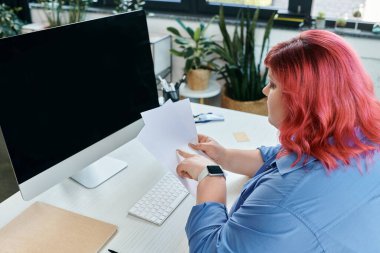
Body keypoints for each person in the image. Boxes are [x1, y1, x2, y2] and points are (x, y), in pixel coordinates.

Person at [176, 30, 380, 252]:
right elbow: (284, 157)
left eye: (272, 85)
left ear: (301, 100)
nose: (264, 90)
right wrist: (224, 156)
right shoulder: (360, 133)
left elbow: (211, 249)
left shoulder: (281, 201)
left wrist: (211, 177)